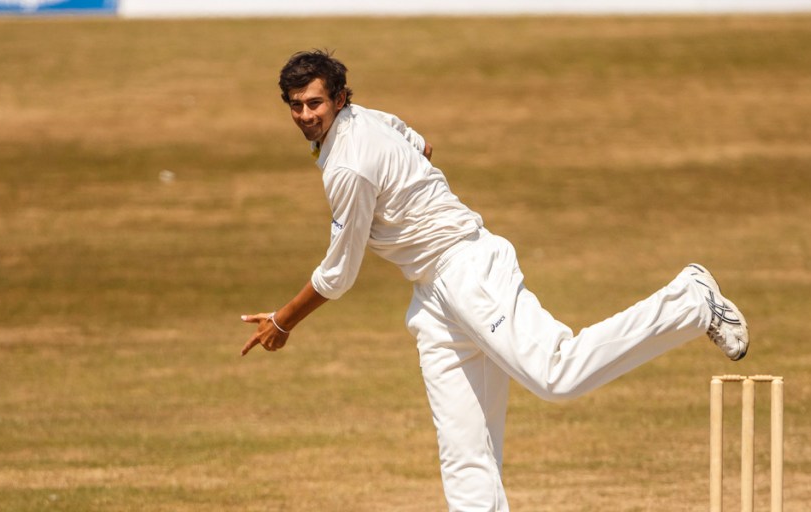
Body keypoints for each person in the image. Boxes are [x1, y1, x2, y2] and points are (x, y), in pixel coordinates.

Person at [240, 49, 749, 512]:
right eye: (295, 106)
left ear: (340, 98)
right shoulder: (367, 121)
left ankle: (690, 299)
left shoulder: (348, 165)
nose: (305, 115)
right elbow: (423, 144)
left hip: (468, 270)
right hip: (433, 295)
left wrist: (283, 322)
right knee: (464, 455)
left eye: (314, 104)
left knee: (557, 374)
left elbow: (340, 273)